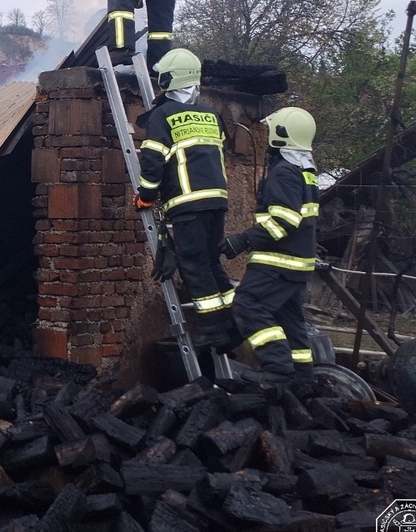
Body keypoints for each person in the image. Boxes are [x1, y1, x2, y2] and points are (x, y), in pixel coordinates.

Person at [132, 48, 237, 352]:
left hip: (187, 203)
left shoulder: (163, 115)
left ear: (170, 78)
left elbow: (153, 162)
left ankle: (212, 330)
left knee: (193, 264)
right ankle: (233, 323)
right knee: (210, 261)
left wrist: (146, 197)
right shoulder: (211, 115)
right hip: (217, 201)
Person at [220, 107, 321, 387]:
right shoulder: (306, 173)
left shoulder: (285, 173)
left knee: (247, 305)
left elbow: (284, 221)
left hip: (278, 262)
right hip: (297, 265)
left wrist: (243, 240)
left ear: (281, 135)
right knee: (290, 321)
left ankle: (277, 368)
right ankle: (303, 378)